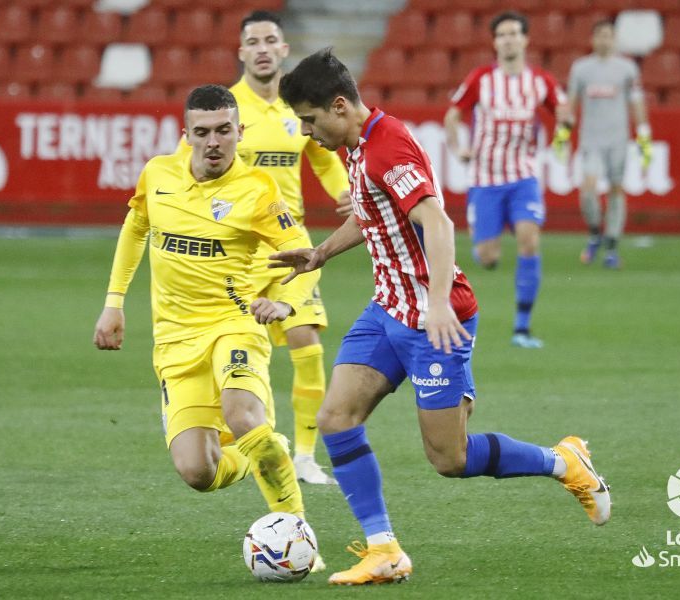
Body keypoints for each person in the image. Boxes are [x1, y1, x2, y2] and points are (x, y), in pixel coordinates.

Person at [273, 48, 611, 586]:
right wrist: (319, 253)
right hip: (386, 308)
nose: (308, 133)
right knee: (336, 418)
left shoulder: (387, 149)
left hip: (434, 317)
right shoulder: (358, 147)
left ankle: (563, 460)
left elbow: (438, 223)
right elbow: (374, 217)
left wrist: (433, 304)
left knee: (449, 458)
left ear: (339, 107)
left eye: (311, 121)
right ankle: (384, 550)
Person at [93, 85, 324, 564]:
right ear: (186, 136)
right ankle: (269, 451)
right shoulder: (158, 174)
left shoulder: (258, 190)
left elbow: (308, 256)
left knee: (242, 417)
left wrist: (287, 306)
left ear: (239, 132)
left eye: (224, 131)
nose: (214, 142)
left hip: (234, 324)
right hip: (175, 341)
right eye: (202, 133)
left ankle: (300, 539)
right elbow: (135, 227)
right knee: (198, 471)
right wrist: (114, 302)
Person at [174, 10, 351, 484]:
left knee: (307, 342)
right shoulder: (224, 111)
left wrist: (343, 193)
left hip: (289, 249)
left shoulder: (298, 107)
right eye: (253, 41)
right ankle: (233, 435)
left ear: (284, 49)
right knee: (233, 352)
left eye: (271, 39)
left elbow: (324, 158)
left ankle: (307, 456)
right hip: (237, 255)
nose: (263, 48)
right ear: (241, 51)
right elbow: (180, 164)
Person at [444, 11, 569, 349]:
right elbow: (453, 115)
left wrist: (563, 132)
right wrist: (459, 147)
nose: (509, 39)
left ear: (526, 40)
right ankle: (489, 254)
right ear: (495, 42)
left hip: (523, 177)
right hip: (485, 180)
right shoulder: (481, 79)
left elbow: (563, 109)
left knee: (530, 239)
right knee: (486, 256)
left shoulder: (540, 81)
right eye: (502, 35)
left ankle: (522, 328)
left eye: (514, 33)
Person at [557, 18, 652, 269]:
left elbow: (636, 101)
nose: (604, 40)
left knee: (616, 190)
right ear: (593, 39)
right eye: (599, 35)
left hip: (618, 140)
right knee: (588, 189)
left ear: (615, 39)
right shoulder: (582, 68)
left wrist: (643, 134)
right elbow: (572, 103)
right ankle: (594, 232)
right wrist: (563, 134)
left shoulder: (627, 68)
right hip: (591, 139)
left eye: (608, 35)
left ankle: (611, 246)